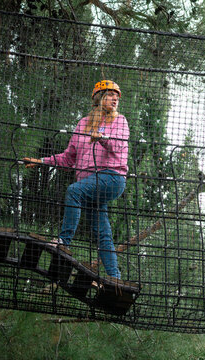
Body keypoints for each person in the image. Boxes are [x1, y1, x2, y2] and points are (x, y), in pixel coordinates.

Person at [23, 80, 129, 279]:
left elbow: (118, 145)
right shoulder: (82, 124)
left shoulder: (119, 121)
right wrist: (42, 161)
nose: (115, 99)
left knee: (74, 191)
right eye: (110, 95)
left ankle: (64, 241)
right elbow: (68, 157)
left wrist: (102, 138)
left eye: (117, 96)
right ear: (98, 98)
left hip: (111, 177)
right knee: (102, 234)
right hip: (90, 183)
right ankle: (115, 278)